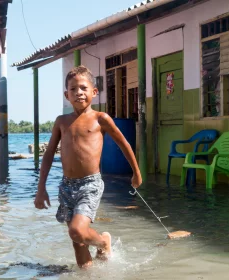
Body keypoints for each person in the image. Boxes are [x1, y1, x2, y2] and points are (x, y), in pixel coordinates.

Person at [34, 65, 142, 269]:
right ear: (66, 95)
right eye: (73, 89)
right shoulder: (61, 121)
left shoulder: (101, 118)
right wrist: (41, 188)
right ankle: (87, 274)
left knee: (76, 230)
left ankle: (103, 242)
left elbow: (124, 144)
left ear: (94, 92)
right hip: (66, 186)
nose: (79, 93)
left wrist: (136, 173)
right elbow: (48, 154)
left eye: (83, 88)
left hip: (90, 184)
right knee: (78, 244)